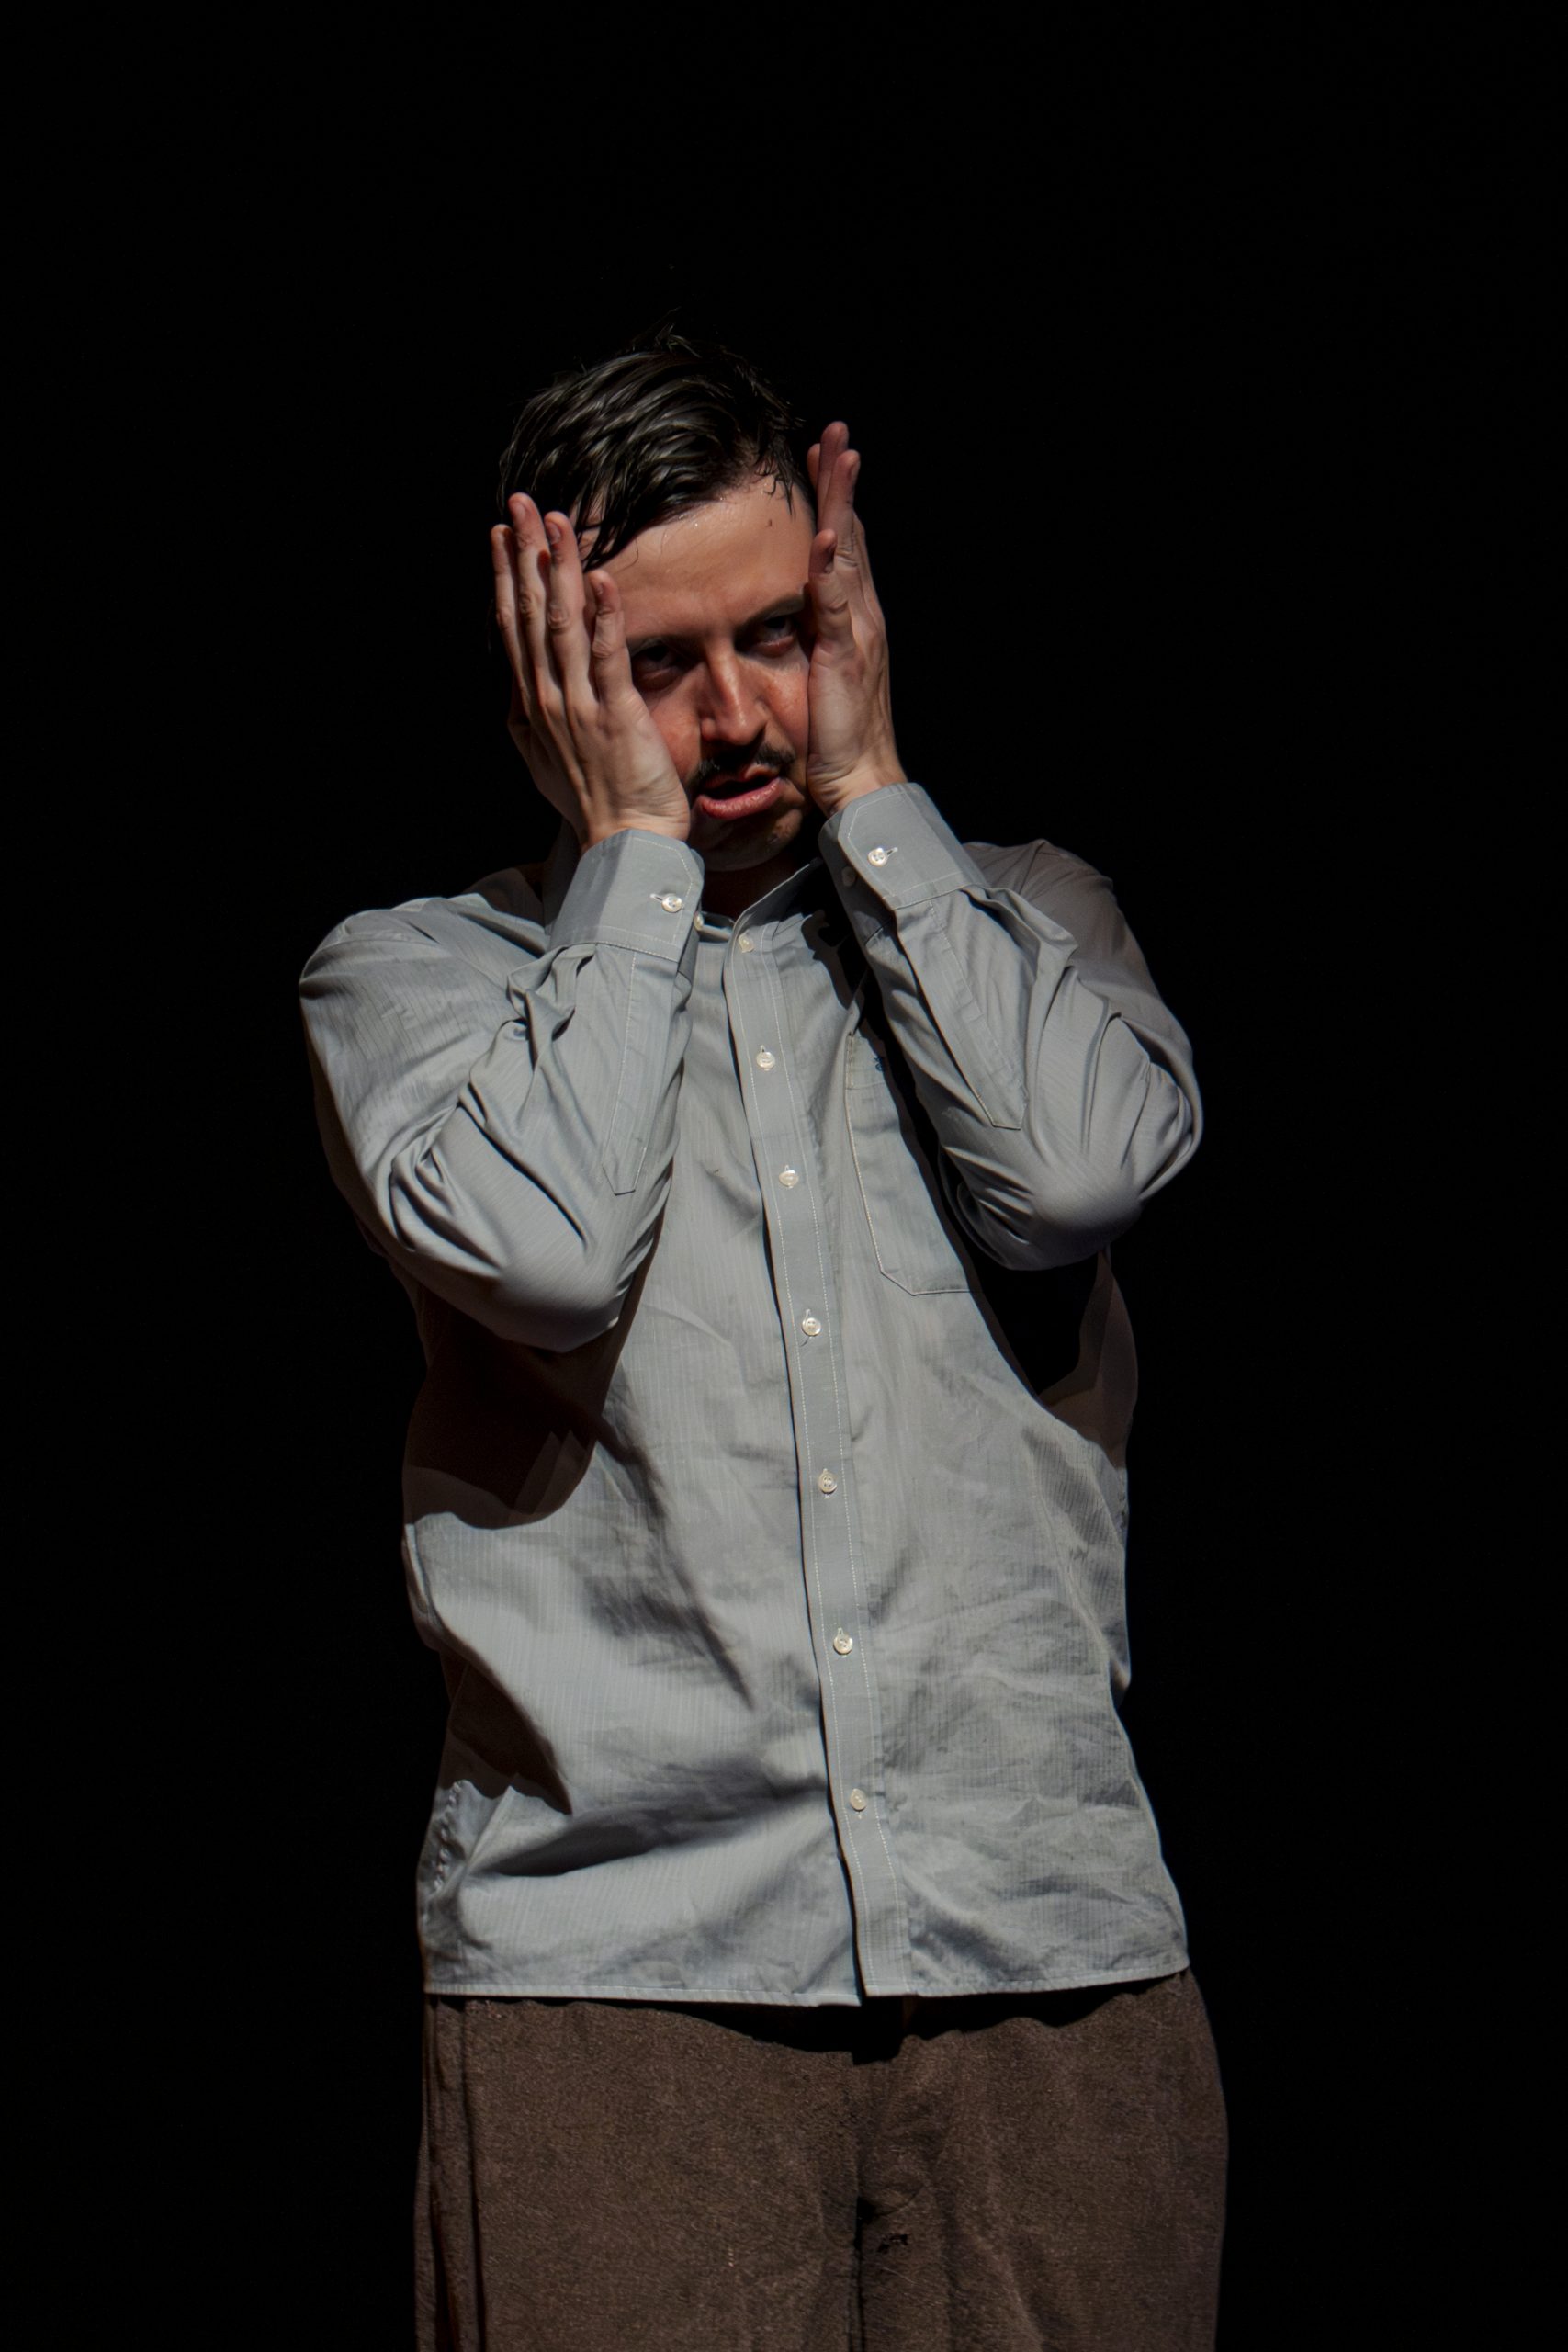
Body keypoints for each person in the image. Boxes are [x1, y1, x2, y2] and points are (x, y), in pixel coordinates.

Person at [299, 328, 1227, 2350]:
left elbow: (1073, 1178)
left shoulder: (1028, 917)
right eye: (657, 662)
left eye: (779, 634)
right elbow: (546, 1258)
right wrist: (635, 856)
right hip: (620, 1974)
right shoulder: (418, 981)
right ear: (546, 672)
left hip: (1045, 1951)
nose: (733, 716)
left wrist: (875, 787)